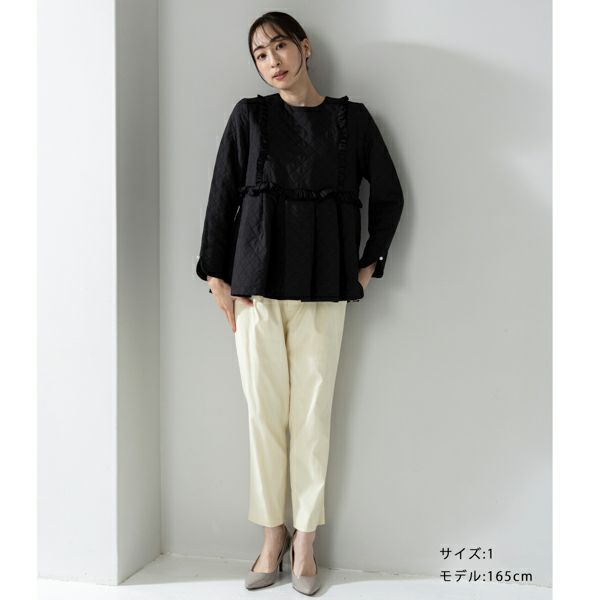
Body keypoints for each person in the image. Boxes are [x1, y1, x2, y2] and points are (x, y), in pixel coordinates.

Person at [195, 11, 404, 595]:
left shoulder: (351, 121)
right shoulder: (250, 116)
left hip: (324, 287)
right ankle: (272, 535)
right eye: (260, 55)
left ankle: (306, 541)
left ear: (304, 48)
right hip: (254, 287)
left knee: (312, 417)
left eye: (279, 46)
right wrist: (216, 276)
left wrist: (368, 265)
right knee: (264, 416)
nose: (272, 62)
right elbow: (221, 195)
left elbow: (390, 195)